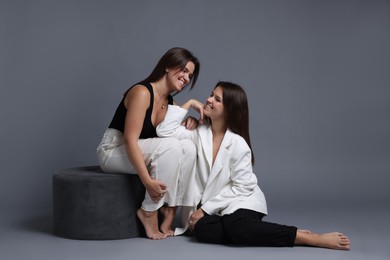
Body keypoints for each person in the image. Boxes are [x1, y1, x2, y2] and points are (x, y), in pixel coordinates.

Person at [156, 81, 351, 250]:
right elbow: (164, 131)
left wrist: (205, 210)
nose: (208, 100)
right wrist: (188, 104)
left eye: (217, 99)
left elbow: (242, 187)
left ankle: (307, 237)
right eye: (210, 95)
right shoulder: (198, 132)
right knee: (204, 231)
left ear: (229, 110)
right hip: (215, 206)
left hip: (241, 199)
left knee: (237, 228)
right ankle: (242, 228)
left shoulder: (238, 144)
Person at [96, 47, 200, 240]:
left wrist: (190, 119)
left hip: (138, 150)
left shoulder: (169, 103)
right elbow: (129, 140)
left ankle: (170, 209)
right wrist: (147, 181)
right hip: (113, 150)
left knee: (188, 147)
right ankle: (149, 211)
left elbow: (175, 133)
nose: (186, 78)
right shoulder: (142, 92)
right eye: (183, 70)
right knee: (172, 146)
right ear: (168, 66)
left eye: (190, 75)